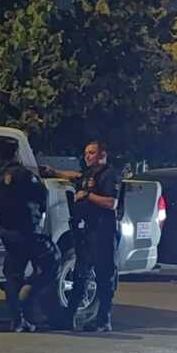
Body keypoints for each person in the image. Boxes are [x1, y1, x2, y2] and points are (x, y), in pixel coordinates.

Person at [0, 138, 59, 333]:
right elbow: (42, 196)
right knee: (51, 263)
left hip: (7, 230)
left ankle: (17, 320)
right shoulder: (24, 175)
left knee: (12, 275)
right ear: (16, 153)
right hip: (28, 230)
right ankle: (30, 292)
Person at [63, 140, 120, 333]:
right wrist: (51, 171)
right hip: (86, 231)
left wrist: (87, 196)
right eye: (86, 152)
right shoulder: (89, 173)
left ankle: (103, 320)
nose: (87, 156)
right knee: (80, 274)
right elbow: (75, 177)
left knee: (104, 277)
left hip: (102, 231)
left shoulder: (108, 175)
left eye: (92, 153)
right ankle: (68, 317)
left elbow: (111, 203)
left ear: (102, 155)